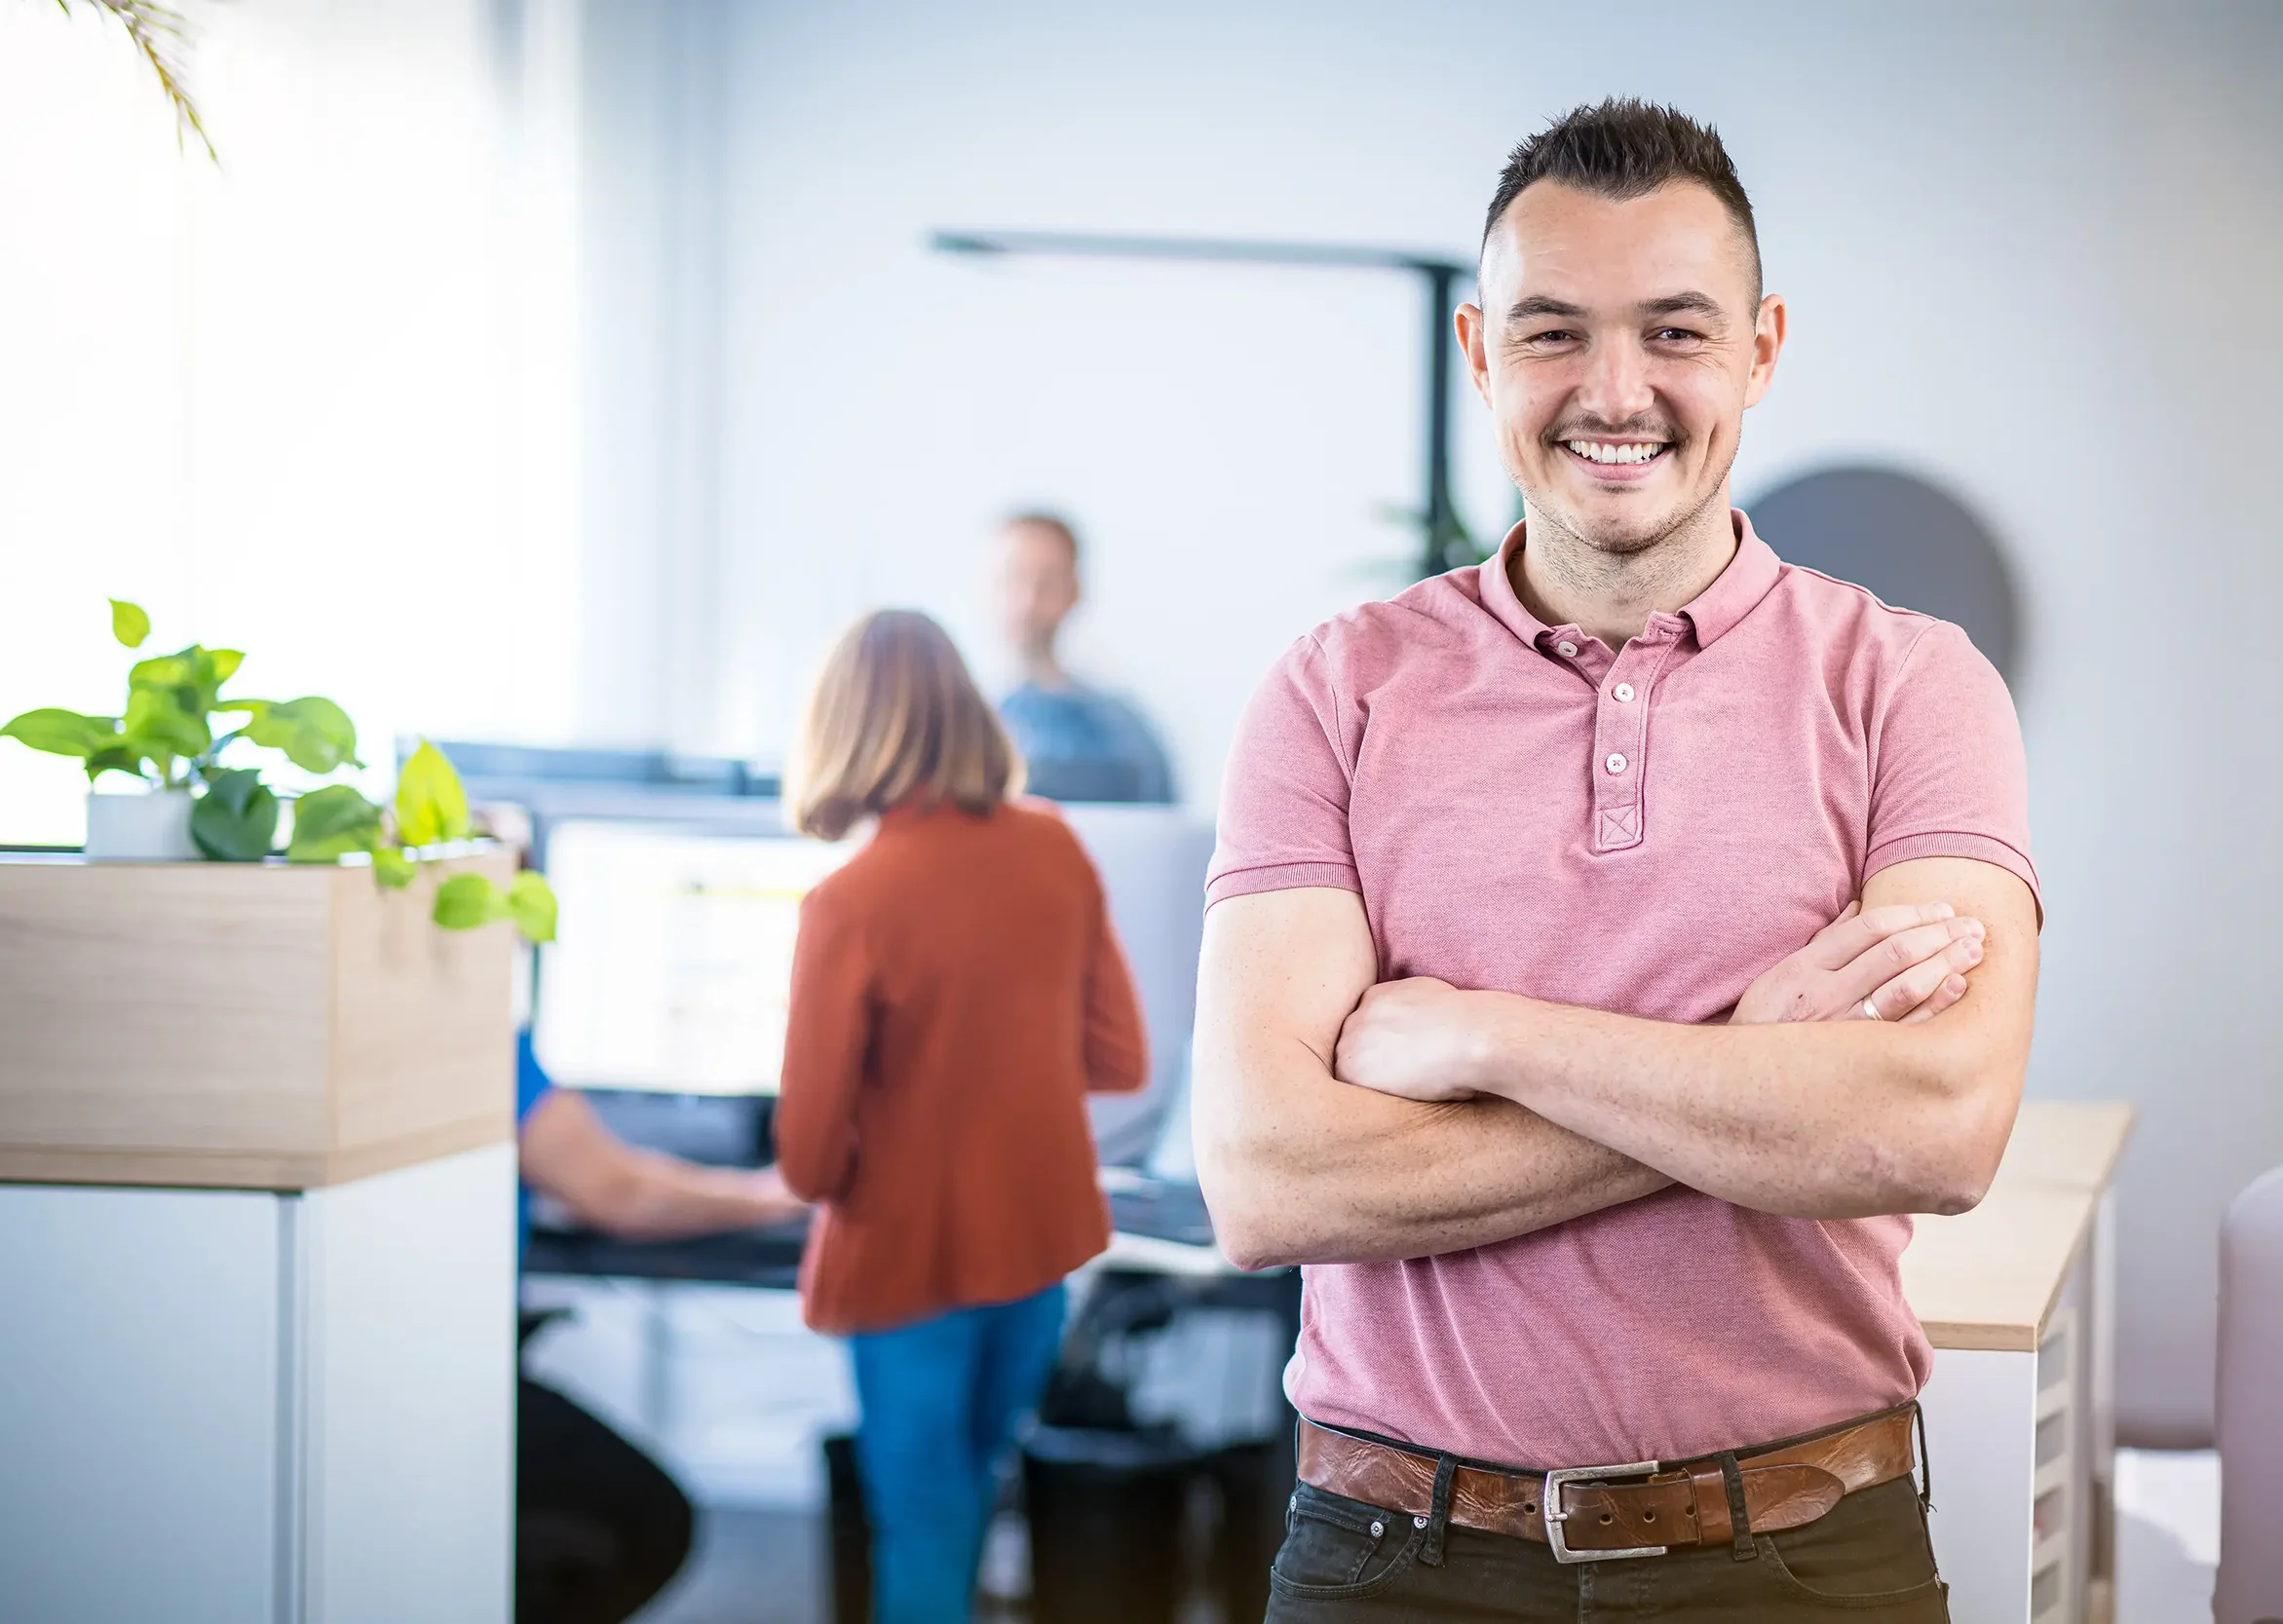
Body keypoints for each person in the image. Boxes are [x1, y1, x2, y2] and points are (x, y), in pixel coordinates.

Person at [1195, 99, 2038, 1619]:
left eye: (1675, 330)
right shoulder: (1333, 689)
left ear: (1763, 349)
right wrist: (1756, 1070)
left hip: (1801, 1558)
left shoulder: (1912, 685)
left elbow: (1937, 1124)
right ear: (1478, 354)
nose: (1616, 390)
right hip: (1393, 1559)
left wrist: (1486, 1035)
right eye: (1553, 333)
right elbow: (1267, 1177)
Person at [774, 609, 1150, 1624]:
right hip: (1034, 1251)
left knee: (922, 1523)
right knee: (975, 1487)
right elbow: (1119, 1057)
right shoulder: (1052, 843)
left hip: (905, 1259)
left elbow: (807, 1162)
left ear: (841, 728)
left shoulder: (849, 901)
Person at [514, 1003, 805, 1623]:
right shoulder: (475, 1044)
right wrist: (774, 1194)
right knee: (646, 1524)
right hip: (446, 1374)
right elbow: (619, 1194)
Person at [992, 511, 1177, 803]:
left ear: (1074, 592)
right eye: (1014, 578)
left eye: (1047, 583)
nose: (1028, 601)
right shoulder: (949, 723)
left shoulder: (1123, 734)